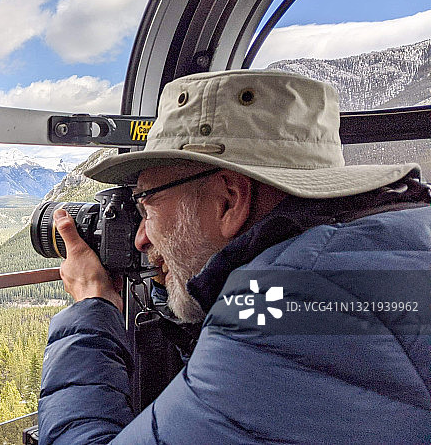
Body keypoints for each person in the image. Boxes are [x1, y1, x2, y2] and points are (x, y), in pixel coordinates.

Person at [37, 70, 431, 443]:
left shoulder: (286, 307)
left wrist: (91, 304)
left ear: (228, 199)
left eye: (147, 205)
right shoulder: (391, 238)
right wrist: (182, 284)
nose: (141, 238)